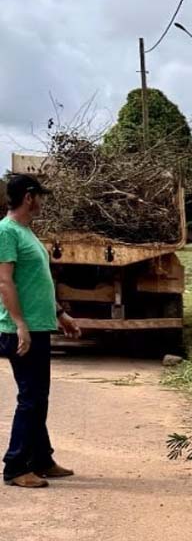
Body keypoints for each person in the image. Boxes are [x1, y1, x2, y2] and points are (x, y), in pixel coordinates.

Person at [0, 174, 81, 489]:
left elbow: (37, 283)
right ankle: (16, 466)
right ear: (29, 197)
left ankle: (42, 459)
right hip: (20, 329)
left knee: (38, 396)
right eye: (40, 196)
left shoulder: (25, 232)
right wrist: (20, 323)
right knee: (31, 397)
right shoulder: (6, 232)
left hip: (38, 323)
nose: (43, 202)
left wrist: (61, 314)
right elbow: (4, 282)